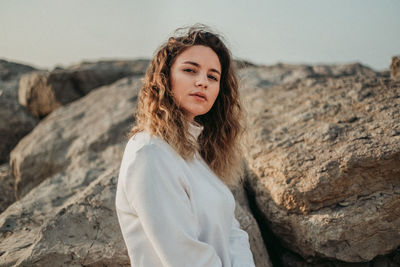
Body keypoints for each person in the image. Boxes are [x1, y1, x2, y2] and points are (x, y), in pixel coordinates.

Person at [115, 24, 256, 267]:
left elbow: (233, 233)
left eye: (213, 77)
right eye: (190, 70)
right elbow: (185, 256)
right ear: (165, 78)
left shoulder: (197, 155)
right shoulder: (149, 153)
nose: (203, 82)